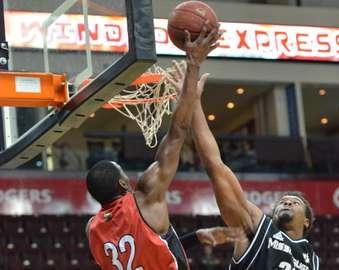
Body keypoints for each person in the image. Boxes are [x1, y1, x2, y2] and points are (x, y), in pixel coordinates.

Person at [86, 22, 221, 270]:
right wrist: (192, 68)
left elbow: (143, 248)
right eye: (125, 175)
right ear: (123, 183)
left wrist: (190, 240)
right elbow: (178, 132)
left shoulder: (92, 230)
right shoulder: (144, 198)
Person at [168, 61, 320, 270]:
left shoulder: (312, 259)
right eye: (283, 201)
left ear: (306, 222)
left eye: (294, 202)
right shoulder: (258, 228)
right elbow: (216, 166)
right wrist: (193, 101)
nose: (286, 203)